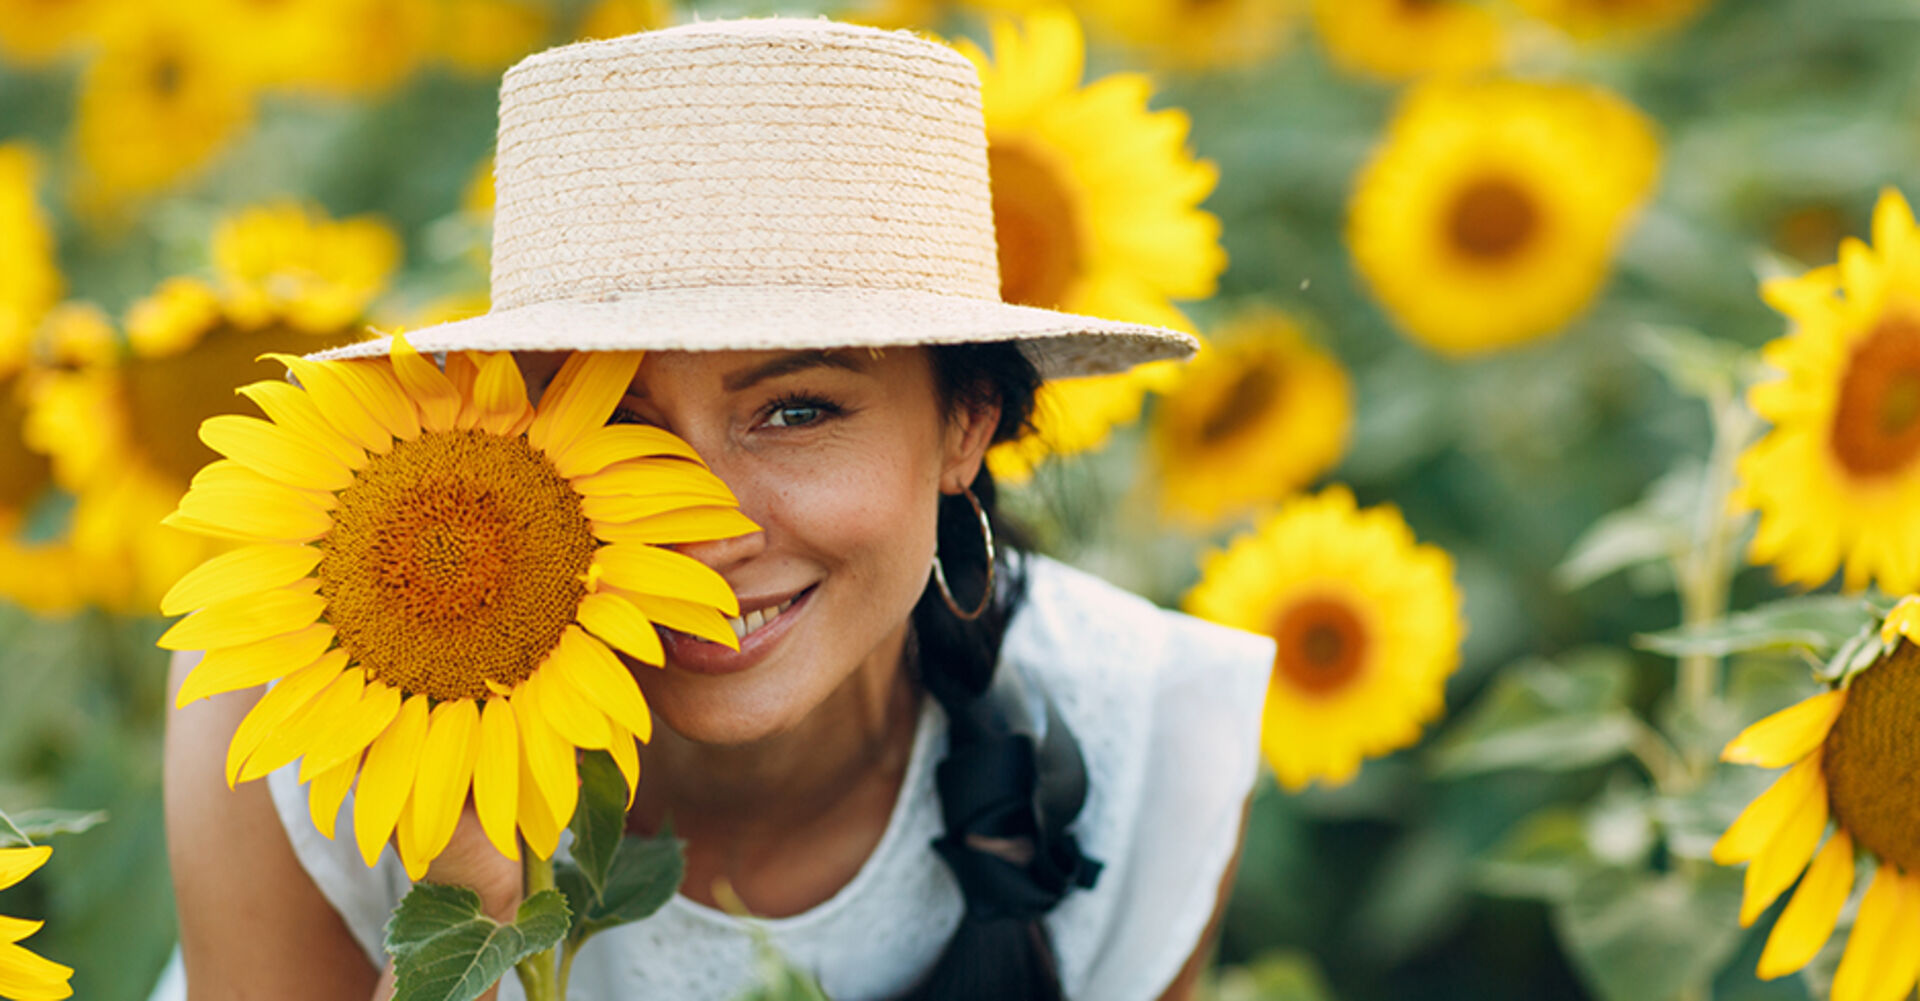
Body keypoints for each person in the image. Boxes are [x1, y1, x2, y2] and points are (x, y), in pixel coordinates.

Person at [159, 18, 1273, 1001]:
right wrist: (467, 889)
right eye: (622, 425)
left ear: (966, 424)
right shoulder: (310, 709)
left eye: (794, 411)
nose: (699, 528)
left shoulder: (1147, 748)